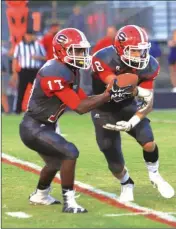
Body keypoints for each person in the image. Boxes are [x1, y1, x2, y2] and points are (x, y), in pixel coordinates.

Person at [19, 28, 116, 213]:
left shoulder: (69, 69)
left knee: (54, 163)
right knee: (70, 152)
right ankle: (69, 203)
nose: (82, 54)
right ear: (62, 50)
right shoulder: (55, 71)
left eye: (82, 50)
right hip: (34, 127)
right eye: (77, 50)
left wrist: (108, 95)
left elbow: (84, 100)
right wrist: (108, 94)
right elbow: (79, 107)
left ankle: (40, 195)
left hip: (44, 126)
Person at [91, 25, 175, 202]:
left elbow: (148, 103)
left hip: (128, 106)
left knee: (149, 142)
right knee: (114, 162)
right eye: (135, 51)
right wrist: (136, 89)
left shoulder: (150, 65)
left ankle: (154, 174)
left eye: (143, 51)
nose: (141, 56)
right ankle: (126, 183)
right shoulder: (103, 58)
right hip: (103, 109)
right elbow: (115, 86)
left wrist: (133, 121)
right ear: (121, 49)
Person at [12, 28, 47, 114]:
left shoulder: (38, 45)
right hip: (24, 70)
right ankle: (17, 110)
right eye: (28, 35)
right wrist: (14, 72)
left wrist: (38, 57)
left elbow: (45, 57)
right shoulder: (19, 46)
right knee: (21, 90)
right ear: (25, 36)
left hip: (34, 70)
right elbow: (15, 59)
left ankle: (40, 109)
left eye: (31, 35)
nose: (29, 37)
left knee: (38, 90)